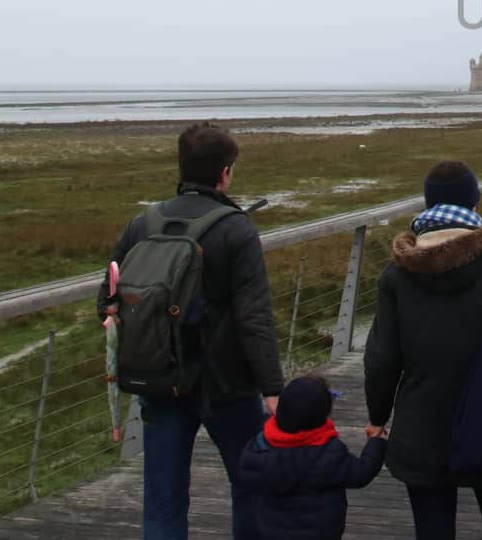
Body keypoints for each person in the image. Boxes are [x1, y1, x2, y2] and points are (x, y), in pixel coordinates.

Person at [98, 122, 283, 540]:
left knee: (163, 499)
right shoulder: (236, 228)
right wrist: (273, 388)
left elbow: (106, 303)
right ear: (226, 172)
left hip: (159, 381)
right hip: (228, 386)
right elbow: (253, 316)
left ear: (181, 168)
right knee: (253, 484)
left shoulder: (141, 224)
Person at [363, 160, 482, 539]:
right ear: (474, 202)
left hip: (421, 424)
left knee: (433, 528)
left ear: (428, 205)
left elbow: (381, 357)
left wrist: (378, 416)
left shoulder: (397, 275)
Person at [236, 375, 387, 540]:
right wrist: (376, 443)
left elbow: (246, 472)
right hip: (320, 532)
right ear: (322, 416)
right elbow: (360, 473)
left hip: (272, 531)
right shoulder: (329, 453)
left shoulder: (261, 445)